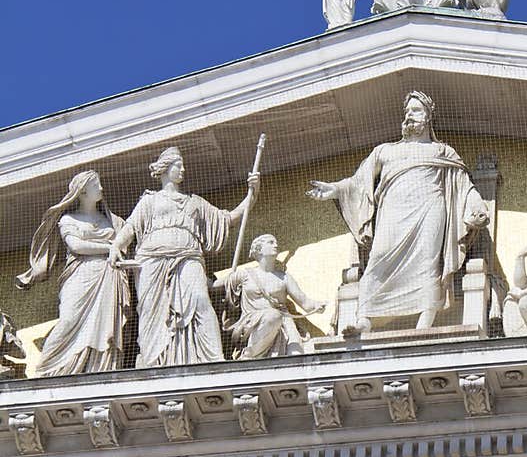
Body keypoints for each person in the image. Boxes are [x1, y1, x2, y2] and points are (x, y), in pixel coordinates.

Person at [307, 90, 488, 333]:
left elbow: (463, 184)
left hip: (430, 211)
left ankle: (425, 322)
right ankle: (364, 320)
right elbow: (359, 182)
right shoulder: (385, 151)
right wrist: (335, 189)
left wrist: (476, 204)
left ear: (428, 116)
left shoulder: (443, 152)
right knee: (378, 258)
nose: (409, 116)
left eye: (416, 110)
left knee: (428, 263)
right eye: (407, 112)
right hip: (393, 212)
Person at [108, 146, 260, 368]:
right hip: (152, 261)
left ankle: (213, 358)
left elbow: (228, 219)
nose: (183, 170)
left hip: (188, 257)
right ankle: (153, 362)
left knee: (200, 300)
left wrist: (252, 195)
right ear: (165, 169)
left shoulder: (195, 202)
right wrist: (116, 246)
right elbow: (130, 227)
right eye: (178, 166)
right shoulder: (150, 201)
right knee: (151, 309)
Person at [16, 170, 129, 376]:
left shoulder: (111, 221)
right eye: (96, 185)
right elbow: (76, 245)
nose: (101, 189)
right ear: (83, 191)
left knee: (105, 326)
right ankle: (46, 369)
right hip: (81, 275)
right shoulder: (68, 219)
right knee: (68, 319)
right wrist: (110, 247)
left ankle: (100, 369)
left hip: (107, 276)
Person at [217, 234, 325, 359]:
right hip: (254, 324)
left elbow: (305, 303)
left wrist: (318, 306)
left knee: (296, 355)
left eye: (276, 242)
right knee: (273, 315)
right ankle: (250, 353)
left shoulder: (284, 277)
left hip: (283, 322)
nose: (276, 245)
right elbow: (215, 286)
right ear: (259, 249)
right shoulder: (244, 275)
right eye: (271, 242)